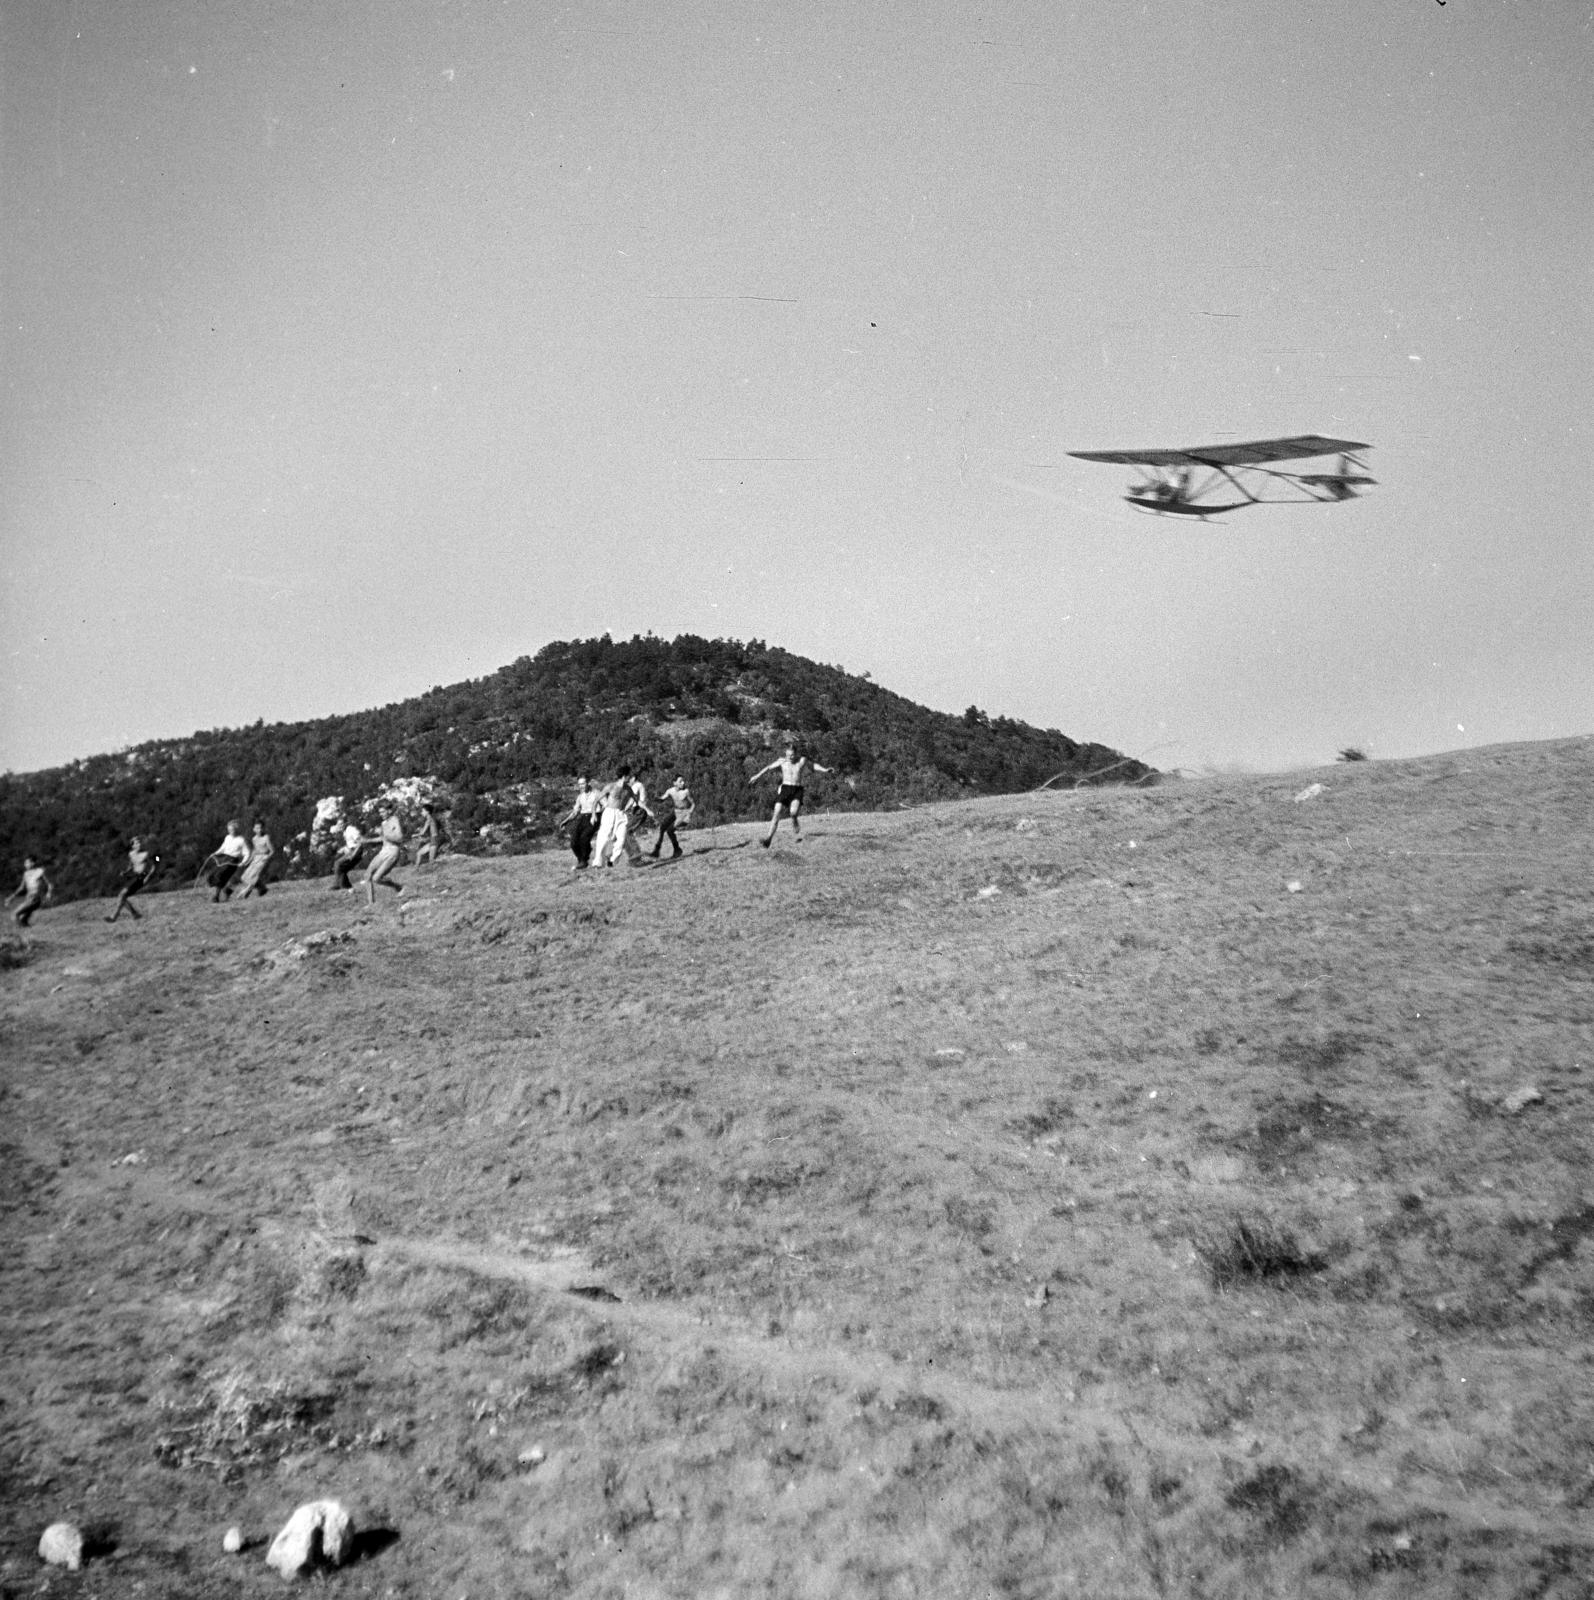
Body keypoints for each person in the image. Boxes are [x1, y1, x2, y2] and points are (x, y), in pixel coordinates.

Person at [750, 746, 832, 847]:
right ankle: (768, 839)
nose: (790, 757)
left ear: (796, 753)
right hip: (785, 789)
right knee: (776, 813)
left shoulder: (802, 760)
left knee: (793, 812)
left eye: (792, 755)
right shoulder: (782, 761)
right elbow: (768, 768)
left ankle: (794, 819)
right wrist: (756, 776)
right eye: (788, 755)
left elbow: (813, 766)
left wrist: (825, 770)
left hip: (797, 790)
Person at [590, 766, 640, 869]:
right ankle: (597, 863)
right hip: (609, 813)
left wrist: (629, 807)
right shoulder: (610, 787)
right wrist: (594, 815)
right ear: (624, 776)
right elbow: (595, 801)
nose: (630, 778)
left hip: (621, 814)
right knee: (603, 838)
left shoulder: (628, 788)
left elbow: (635, 798)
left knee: (621, 839)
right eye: (629, 775)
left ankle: (612, 860)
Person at [105, 838, 159, 922]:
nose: (139, 844)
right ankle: (135, 914)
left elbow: (156, 861)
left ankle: (114, 917)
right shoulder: (131, 854)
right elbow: (131, 865)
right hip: (133, 876)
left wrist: (149, 876)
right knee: (122, 896)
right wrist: (125, 872)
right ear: (133, 846)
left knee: (121, 895)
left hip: (141, 877)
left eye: (140, 842)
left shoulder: (146, 854)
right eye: (137, 843)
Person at [558, 777, 604, 871]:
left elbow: (606, 805)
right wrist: (565, 821)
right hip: (582, 818)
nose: (581, 786)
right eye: (579, 784)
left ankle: (584, 861)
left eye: (583, 783)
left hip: (594, 817)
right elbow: (575, 812)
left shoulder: (597, 793)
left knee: (584, 838)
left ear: (588, 783)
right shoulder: (580, 796)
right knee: (573, 841)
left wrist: (596, 815)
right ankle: (581, 860)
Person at [364, 806, 405, 903]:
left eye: (383, 811)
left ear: (389, 810)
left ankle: (398, 887)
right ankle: (371, 904)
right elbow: (383, 839)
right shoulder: (383, 823)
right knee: (367, 875)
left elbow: (400, 838)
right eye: (380, 812)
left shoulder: (394, 820)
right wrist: (367, 840)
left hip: (393, 851)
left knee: (376, 878)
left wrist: (384, 834)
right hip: (384, 850)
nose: (381, 814)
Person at [649, 775, 694, 860]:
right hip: (675, 811)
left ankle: (677, 850)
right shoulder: (670, 791)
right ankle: (656, 850)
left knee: (670, 830)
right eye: (680, 781)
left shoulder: (686, 791)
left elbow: (693, 804)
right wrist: (655, 798)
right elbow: (662, 799)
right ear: (674, 783)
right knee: (662, 827)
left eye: (683, 781)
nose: (683, 783)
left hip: (683, 813)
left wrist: (689, 814)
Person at [207, 820, 250, 901]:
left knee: (220, 875)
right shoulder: (227, 837)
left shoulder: (241, 840)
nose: (231, 832)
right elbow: (223, 848)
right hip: (225, 859)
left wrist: (243, 862)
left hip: (232, 861)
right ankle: (219, 895)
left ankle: (216, 896)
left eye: (232, 830)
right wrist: (215, 853)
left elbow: (247, 853)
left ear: (237, 829)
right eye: (229, 830)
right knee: (213, 874)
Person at [234, 821, 275, 899]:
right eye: (257, 828)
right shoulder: (254, 839)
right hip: (255, 859)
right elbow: (254, 851)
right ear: (254, 829)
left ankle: (245, 892)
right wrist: (247, 862)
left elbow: (272, 851)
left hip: (263, 859)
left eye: (261, 828)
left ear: (263, 828)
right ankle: (262, 888)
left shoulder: (266, 837)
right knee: (244, 877)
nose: (259, 830)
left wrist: (267, 857)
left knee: (253, 876)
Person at [7, 858, 52, 928]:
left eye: (27, 863)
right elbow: (21, 888)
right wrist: (12, 897)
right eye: (25, 863)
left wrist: (49, 893)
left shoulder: (40, 871)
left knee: (14, 914)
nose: (25, 865)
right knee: (23, 920)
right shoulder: (26, 874)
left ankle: (20, 934)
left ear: (33, 863)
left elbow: (49, 884)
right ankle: (27, 930)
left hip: (35, 898)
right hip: (29, 898)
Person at [331, 820, 369, 891]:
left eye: (341, 824)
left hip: (356, 851)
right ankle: (347, 886)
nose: (340, 826)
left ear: (346, 823)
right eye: (339, 825)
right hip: (351, 850)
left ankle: (338, 885)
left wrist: (354, 854)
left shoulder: (351, 830)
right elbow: (351, 843)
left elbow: (360, 842)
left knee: (338, 864)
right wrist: (344, 849)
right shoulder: (345, 832)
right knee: (342, 868)